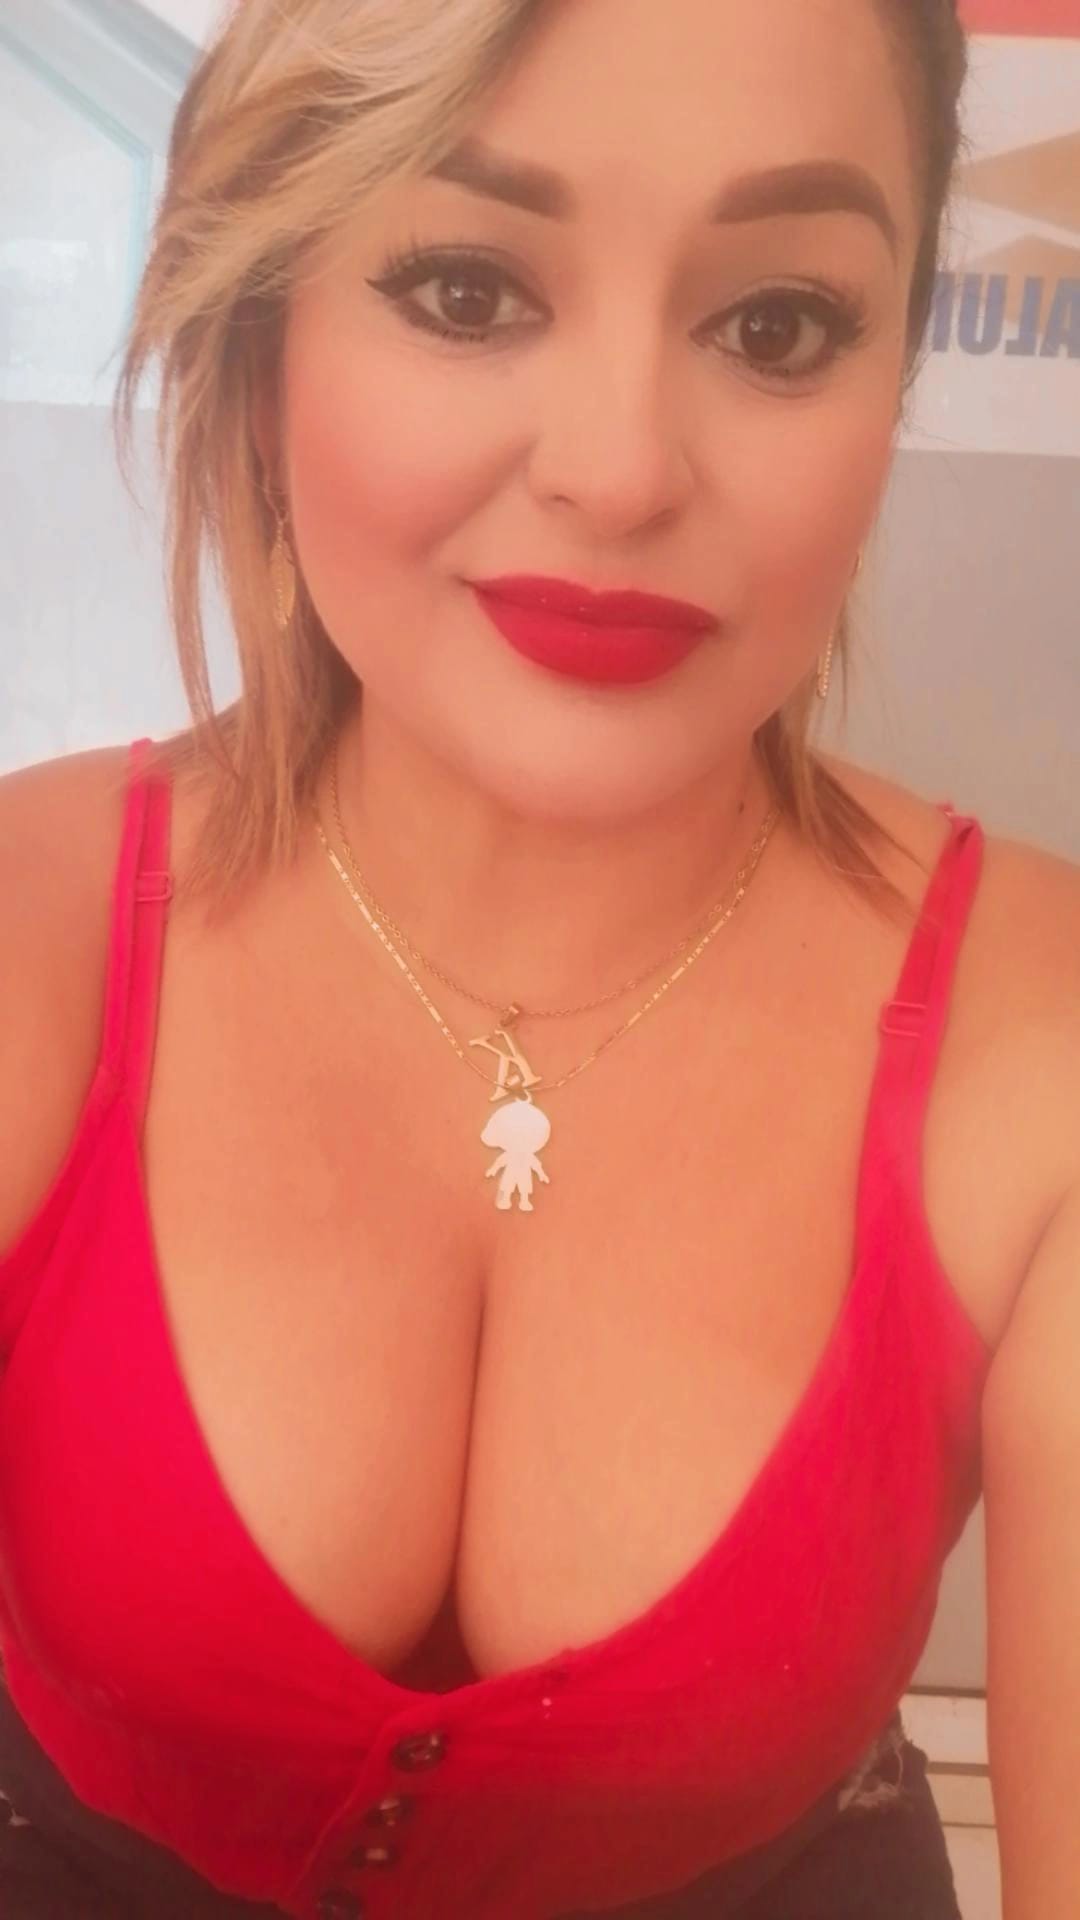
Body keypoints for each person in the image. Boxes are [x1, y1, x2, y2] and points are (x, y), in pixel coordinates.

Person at [0, 0, 1078, 1915]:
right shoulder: (36, 935)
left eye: (776, 326)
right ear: (262, 334)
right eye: (467, 290)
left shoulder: (1037, 1040)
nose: (619, 471)